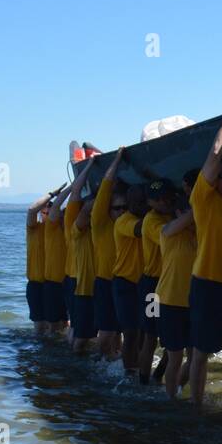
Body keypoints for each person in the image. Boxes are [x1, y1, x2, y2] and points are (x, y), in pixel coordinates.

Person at [187, 106, 222, 409]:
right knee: (200, 352)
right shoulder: (203, 198)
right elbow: (215, 153)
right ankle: (195, 404)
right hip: (207, 283)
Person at [158, 170, 200, 399]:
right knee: (175, 356)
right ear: (178, 212)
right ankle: (170, 398)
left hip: (194, 302)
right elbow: (179, 224)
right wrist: (197, 209)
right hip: (170, 301)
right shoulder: (169, 232)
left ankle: (181, 390)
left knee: (196, 356)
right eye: (184, 213)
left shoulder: (201, 234)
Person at [90, 149, 127, 360]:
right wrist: (117, 160)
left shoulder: (128, 224)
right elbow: (104, 190)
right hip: (104, 282)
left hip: (124, 283)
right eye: (116, 208)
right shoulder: (101, 224)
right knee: (106, 331)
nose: (121, 211)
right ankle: (101, 363)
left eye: (124, 208)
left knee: (121, 330)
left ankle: (117, 360)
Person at [139, 180, 174, 384]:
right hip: (153, 286)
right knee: (151, 336)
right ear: (150, 202)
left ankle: (158, 376)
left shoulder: (172, 213)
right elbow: (167, 234)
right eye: (158, 198)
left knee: (174, 342)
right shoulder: (151, 220)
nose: (163, 201)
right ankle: (144, 381)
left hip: (172, 283)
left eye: (166, 196)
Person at [113, 182, 149, 376]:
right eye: (138, 202)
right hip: (124, 283)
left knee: (147, 331)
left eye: (144, 202)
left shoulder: (151, 218)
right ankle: (129, 372)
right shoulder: (123, 221)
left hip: (146, 283)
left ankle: (142, 368)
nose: (141, 206)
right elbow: (139, 230)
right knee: (131, 332)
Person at [60, 160, 95, 347]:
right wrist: (87, 167)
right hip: (76, 279)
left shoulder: (94, 223)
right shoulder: (72, 221)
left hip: (81, 279)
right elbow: (75, 192)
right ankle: (75, 358)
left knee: (78, 327)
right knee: (78, 329)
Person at [25, 188, 58, 334]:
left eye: (50, 214)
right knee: (39, 326)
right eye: (44, 213)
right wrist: (52, 194)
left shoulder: (59, 229)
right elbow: (31, 211)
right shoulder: (34, 229)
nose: (47, 217)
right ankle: (38, 352)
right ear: (41, 214)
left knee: (56, 326)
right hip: (36, 283)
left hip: (54, 283)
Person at [42, 183, 71, 336]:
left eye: (64, 214)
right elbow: (56, 207)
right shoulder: (50, 228)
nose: (61, 216)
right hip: (53, 282)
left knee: (66, 322)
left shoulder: (69, 229)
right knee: (53, 324)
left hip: (67, 282)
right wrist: (70, 188)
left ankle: (62, 349)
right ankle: (50, 351)